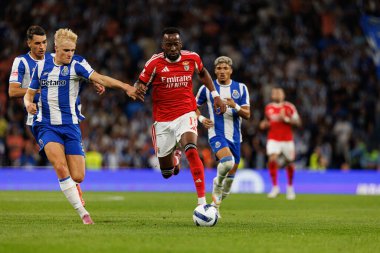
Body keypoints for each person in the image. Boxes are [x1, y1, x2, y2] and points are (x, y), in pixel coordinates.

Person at [24, 28, 138, 224]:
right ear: (56, 48)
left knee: (78, 176)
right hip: (46, 124)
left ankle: (72, 185)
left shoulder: (78, 63)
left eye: (73, 50)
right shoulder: (42, 66)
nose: (70, 54)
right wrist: (28, 104)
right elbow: (29, 94)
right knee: (60, 167)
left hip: (71, 126)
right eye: (66, 50)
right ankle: (84, 214)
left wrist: (126, 87)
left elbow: (100, 78)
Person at [8, 25, 104, 205]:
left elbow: (74, 74)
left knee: (69, 164)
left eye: (44, 42)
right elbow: (12, 91)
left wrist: (93, 82)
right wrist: (42, 92)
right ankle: (72, 186)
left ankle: (74, 183)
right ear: (29, 44)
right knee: (57, 161)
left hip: (63, 115)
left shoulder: (55, 58)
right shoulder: (21, 62)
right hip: (37, 115)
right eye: (37, 43)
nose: (41, 47)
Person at [135, 27, 226, 206]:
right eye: (168, 44)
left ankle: (202, 204)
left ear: (181, 44)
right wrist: (140, 88)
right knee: (167, 172)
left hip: (186, 113)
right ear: (163, 46)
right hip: (162, 120)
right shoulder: (154, 63)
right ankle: (175, 158)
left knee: (192, 150)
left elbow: (203, 73)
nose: (173, 48)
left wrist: (215, 95)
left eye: (176, 44)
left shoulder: (192, 58)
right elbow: (141, 82)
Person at [196, 56, 250, 216]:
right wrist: (201, 119)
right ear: (214, 71)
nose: (222, 71)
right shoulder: (207, 88)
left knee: (227, 189)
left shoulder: (241, 88)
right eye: (219, 68)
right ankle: (217, 182)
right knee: (227, 162)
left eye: (225, 68)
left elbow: (247, 114)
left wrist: (235, 105)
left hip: (235, 138)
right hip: (216, 134)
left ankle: (215, 207)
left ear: (231, 70)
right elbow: (192, 106)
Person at [259, 87, 301, 200]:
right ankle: (275, 187)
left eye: (279, 93)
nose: (277, 94)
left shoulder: (289, 107)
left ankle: (290, 188)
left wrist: (286, 119)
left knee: (289, 162)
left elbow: (298, 122)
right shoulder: (269, 108)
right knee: (272, 159)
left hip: (287, 139)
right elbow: (266, 121)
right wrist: (264, 124)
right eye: (275, 93)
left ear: (283, 95)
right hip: (273, 138)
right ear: (272, 96)